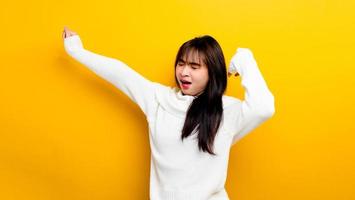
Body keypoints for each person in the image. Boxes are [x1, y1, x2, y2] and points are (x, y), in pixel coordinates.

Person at [62, 26, 275, 200]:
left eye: (194, 66)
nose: (184, 72)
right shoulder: (158, 99)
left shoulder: (226, 111)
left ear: (213, 72)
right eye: (181, 64)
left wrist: (246, 61)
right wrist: (77, 50)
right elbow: (121, 73)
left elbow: (264, 107)